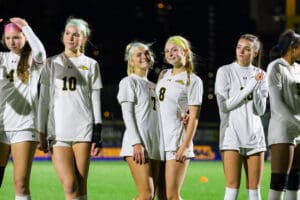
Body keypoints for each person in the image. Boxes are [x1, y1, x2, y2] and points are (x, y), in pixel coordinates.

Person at [38, 17, 103, 200]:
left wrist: (97, 134)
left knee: (81, 187)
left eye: (76, 35)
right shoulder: (50, 63)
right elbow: (43, 99)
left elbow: (95, 100)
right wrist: (41, 130)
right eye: (67, 33)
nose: (71, 38)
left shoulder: (91, 64)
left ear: (83, 39)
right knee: (70, 185)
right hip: (58, 133)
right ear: (62, 36)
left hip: (83, 130)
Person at [214, 34, 268, 200]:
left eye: (247, 49)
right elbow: (225, 106)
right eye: (239, 47)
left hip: (255, 135)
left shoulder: (261, 74)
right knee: (232, 189)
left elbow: (260, 110)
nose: (241, 51)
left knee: (254, 191)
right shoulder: (225, 71)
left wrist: (257, 89)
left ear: (255, 53)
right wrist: (251, 86)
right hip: (232, 135)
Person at [0, 17, 46, 200]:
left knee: (20, 183)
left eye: (17, 37)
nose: (12, 42)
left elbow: (41, 52)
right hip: (0, 127)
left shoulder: (32, 61)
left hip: (24, 127)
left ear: (25, 38)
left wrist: (26, 27)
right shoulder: (1, 58)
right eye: (8, 38)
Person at [156, 35, 203, 200]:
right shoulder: (163, 74)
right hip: (158, 141)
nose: (169, 54)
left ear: (185, 52)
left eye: (174, 50)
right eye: (167, 51)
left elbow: (194, 117)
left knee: (172, 196)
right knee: (160, 195)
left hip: (176, 142)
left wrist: (184, 146)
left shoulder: (193, 80)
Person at [117, 42, 165, 200]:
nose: (144, 56)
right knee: (146, 195)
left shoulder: (155, 86)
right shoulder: (129, 82)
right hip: (137, 144)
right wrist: (136, 143)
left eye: (146, 53)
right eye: (138, 54)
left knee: (153, 196)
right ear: (131, 61)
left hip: (156, 144)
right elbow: (128, 115)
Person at [267, 29, 300, 200]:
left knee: (295, 180)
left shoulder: (299, 68)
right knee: (279, 181)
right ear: (293, 47)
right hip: (283, 130)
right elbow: (277, 105)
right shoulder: (276, 67)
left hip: (298, 131)